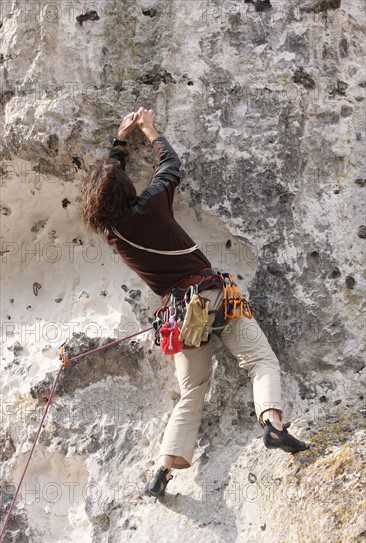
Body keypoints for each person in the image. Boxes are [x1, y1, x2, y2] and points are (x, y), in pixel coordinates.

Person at [82, 107, 309, 498]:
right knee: (259, 360)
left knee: (192, 390)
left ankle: (163, 471)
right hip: (209, 297)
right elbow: (170, 164)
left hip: (177, 317)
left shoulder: (112, 234)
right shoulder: (152, 204)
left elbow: (109, 185)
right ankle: (273, 423)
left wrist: (118, 142)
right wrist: (148, 131)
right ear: (127, 189)